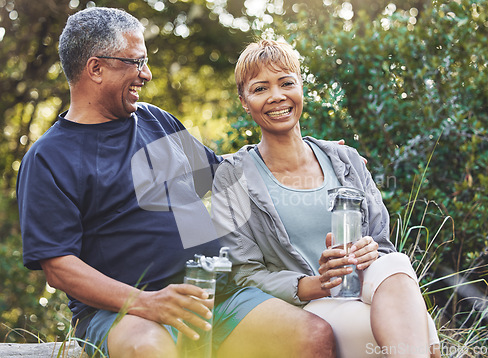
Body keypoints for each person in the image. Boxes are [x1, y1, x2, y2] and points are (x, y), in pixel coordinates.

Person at [16, 9, 337, 358]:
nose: (146, 74)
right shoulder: (48, 158)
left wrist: (319, 156)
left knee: (312, 336)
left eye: (146, 61)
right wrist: (148, 302)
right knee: (152, 351)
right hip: (125, 312)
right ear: (96, 69)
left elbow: (225, 176)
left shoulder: (156, 121)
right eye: (135, 62)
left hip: (219, 296)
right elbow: (59, 268)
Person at [211, 39, 441, 358]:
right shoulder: (232, 176)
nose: (277, 96)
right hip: (306, 304)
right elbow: (245, 274)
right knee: (409, 327)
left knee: (398, 263)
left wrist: (369, 249)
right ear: (244, 101)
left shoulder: (344, 159)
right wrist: (318, 282)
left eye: (286, 83)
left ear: (301, 87)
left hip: (370, 286)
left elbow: (384, 246)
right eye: (260, 88)